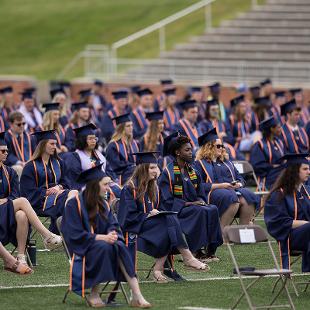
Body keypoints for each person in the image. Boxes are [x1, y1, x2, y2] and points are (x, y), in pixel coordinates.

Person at [61, 164, 151, 308]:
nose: (108, 188)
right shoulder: (74, 204)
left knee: (119, 245)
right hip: (81, 248)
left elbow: (113, 225)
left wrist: (112, 234)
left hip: (104, 245)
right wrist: (101, 238)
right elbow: (73, 234)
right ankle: (94, 294)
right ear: (94, 186)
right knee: (105, 246)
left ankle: (136, 294)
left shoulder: (103, 204)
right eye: (105, 184)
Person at [118, 152, 207, 282]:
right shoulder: (130, 189)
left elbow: (163, 208)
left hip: (153, 226)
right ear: (142, 169)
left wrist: (157, 213)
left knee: (170, 221)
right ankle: (184, 258)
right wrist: (148, 215)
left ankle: (161, 268)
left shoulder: (154, 188)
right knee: (169, 221)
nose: (156, 170)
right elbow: (127, 218)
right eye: (152, 168)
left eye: (157, 167)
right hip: (135, 227)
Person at [0, 132, 62, 271]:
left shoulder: (10, 172)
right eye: (2, 151)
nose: (6, 154)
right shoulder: (27, 167)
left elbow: (14, 194)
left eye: (7, 151)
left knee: (21, 215)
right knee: (22, 201)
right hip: (5, 210)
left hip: (6, 210)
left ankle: (21, 256)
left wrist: (5, 200)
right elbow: (19, 198)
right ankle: (47, 235)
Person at [158, 133, 223, 262]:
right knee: (199, 211)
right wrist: (190, 204)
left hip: (193, 207)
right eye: (187, 150)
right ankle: (195, 251)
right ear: (177, 152)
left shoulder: (193, 171)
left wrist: (200, 201)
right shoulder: (168, 173)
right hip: (176, 211)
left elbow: (200, 193)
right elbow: (166, 201)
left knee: (212, 208)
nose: (191, 153)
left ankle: (210, 251)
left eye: (191, 150)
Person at [194, 128, 258, 229]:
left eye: (222, 146)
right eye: (218, 146)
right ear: (208, 147)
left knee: (248, 198)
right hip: (212, 193)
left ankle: (242, 231)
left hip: (232, 191)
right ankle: (222, 232)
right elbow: (198, 186)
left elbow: (240, 178)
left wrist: (239, 184)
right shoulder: (199, 164)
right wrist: (221, 186)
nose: (222, 148)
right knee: (232, 198)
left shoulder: (227, 162)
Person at [20, 130, 77, 233]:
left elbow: (67, 182)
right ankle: (63, 231)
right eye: (52, 144)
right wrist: (47, 192)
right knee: (73, 195)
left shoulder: (59, 163)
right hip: (40, 202)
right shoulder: (30, 167)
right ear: (42, 145)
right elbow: (27, 193)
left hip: (60, 197)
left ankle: (58, 230)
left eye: (55, 144)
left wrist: (58, 187)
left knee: (74, 194)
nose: (55, 147)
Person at [264, 153, 310, 272]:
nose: (309, 172)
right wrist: (305, 223)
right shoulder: (278, 194)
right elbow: (279, 223)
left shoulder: (305, 191)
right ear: (294, 171)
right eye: (305, 169)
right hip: (290, 237)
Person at [65, 123, 111, 190]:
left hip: (103, 186)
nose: (93, 141)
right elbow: (74, 179)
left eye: (95, 138)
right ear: (82, 140)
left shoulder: (99, 155)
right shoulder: (75, 157)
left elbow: (108, 171)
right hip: (87, 190)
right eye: (90, 139)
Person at [250, 117, 285, 190]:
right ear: (272, 129)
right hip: (267, 177)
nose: (280, 129)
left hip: (279, 173)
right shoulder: (260, 145)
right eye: (278, 127)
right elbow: (257, 165)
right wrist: (272, 166)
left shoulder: (279, 142)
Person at [106, 114, 139, 186]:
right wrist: (133, 167)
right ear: (121, 128)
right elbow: (115, 166)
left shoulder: (134, 143)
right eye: (128, 126)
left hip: (134, 174)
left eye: (131, 125)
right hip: (120, 178)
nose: (131, 128)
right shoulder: (113, 146)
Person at [5, 111, 35, 177]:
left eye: (23, 123)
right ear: (11, 124)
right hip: (13, 165)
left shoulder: (29, 137)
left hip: (28, 162)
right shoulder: (5, 137)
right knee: (19, 168)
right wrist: (20, 162)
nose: (22, 126)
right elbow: (7, 155)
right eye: (18, 124)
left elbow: (35, 152)